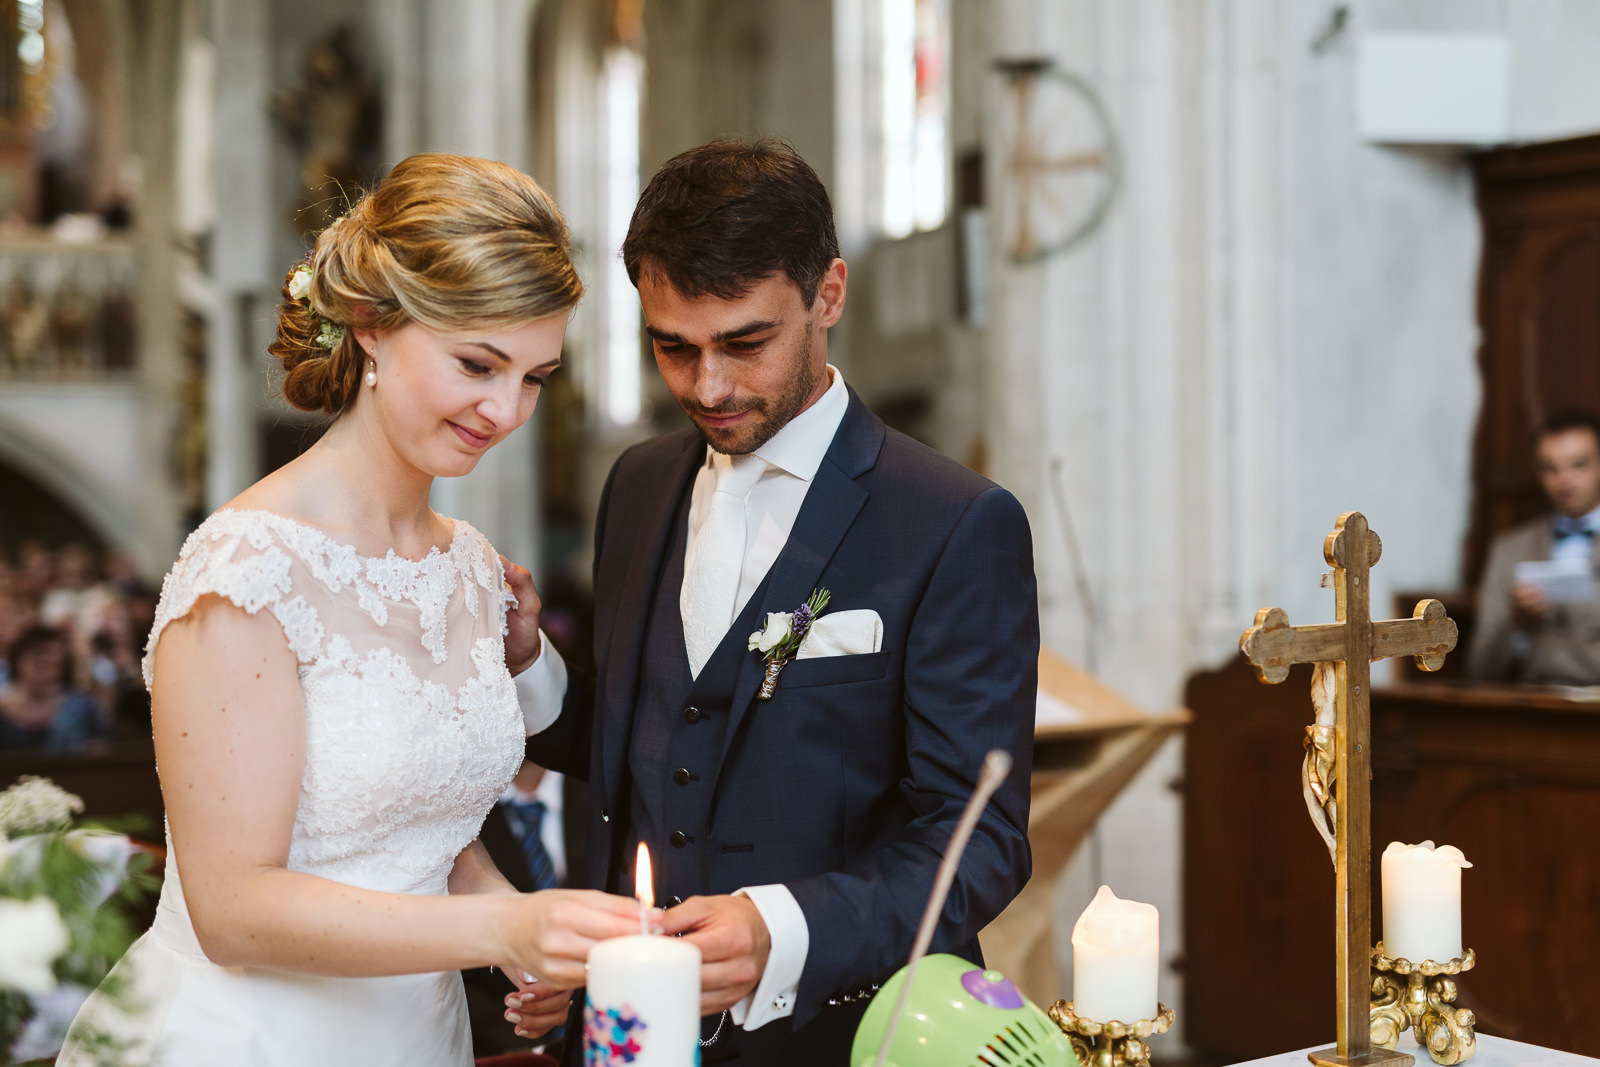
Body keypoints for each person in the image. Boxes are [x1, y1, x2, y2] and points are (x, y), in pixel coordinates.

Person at [57, 153, 643, 1066]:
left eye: (535, 376)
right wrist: (503, 931)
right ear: (372, 326)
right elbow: (234, 909)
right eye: (478, 363)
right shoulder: (248, 568)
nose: (506, 409)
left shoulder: (472, 569)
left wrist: (528, 932)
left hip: (417, 1037)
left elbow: (428, 835)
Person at [503, 138, 1038, 1064]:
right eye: (673, 347)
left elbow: (978, 838)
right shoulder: (637, 485)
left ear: (828, 293)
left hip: (845, 1033)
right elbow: (652, 739)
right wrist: (527, 665)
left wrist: (780, 930)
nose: (707, 386)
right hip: (629, 1032)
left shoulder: (954, 521)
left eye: (745, 343)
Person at [1469, 408, 1600, 684]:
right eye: (1550, 468)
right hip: (1531, 710)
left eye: (1579, 464)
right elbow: (1480, 667)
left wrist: (1546, 651)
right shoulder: (1509, 549)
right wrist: (1518, 628)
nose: (1564, 481)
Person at [0, 623, 106, 749]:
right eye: (38, 662)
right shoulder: (3, 709)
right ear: (19, 661)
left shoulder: (83, 707)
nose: (45, 671)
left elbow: (102, 750)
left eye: (53, 664)